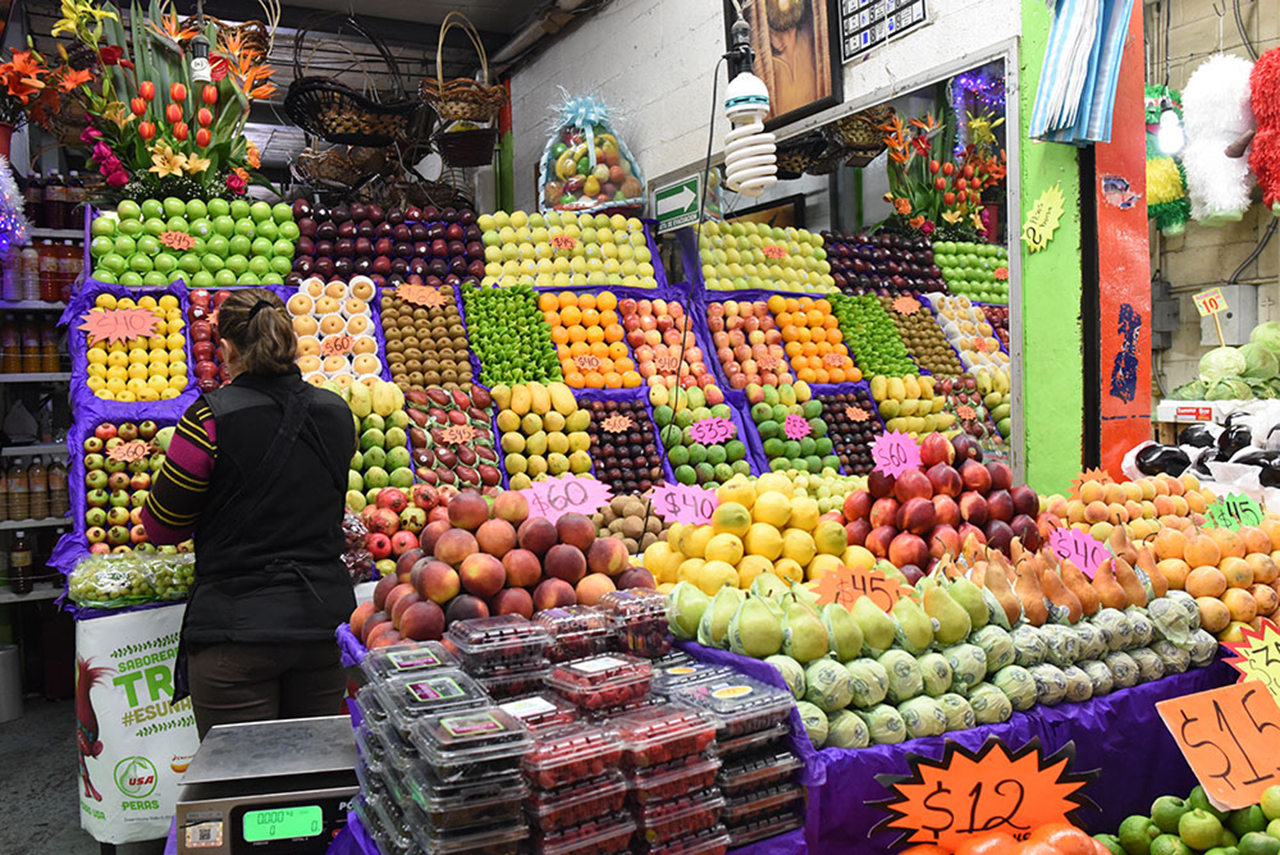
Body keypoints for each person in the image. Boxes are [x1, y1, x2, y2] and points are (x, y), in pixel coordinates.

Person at [142, 288, 356, 738]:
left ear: (225, 348)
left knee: (243, 790)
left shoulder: (208, 420)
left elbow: (161, 527)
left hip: (236, 633)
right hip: (323, 625)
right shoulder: (338, 413)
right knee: (315, 777)